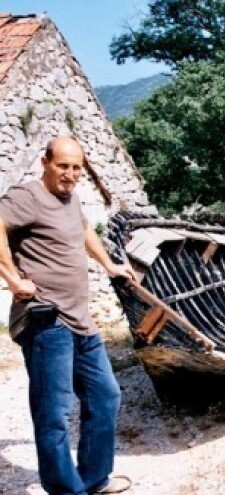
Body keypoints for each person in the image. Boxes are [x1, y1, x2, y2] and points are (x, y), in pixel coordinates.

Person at [0, 137, 135, 495]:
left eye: (77, 168)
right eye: (63, 166)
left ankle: (93, 479)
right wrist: (12, 278)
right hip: (46, 320)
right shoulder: (27, 197)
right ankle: (65, 490)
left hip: (80, 319)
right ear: (45, 162)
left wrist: (109, 264)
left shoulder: (70, 199)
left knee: (105, 396)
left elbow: (84, 229)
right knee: (53, 413)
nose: (71, 174)